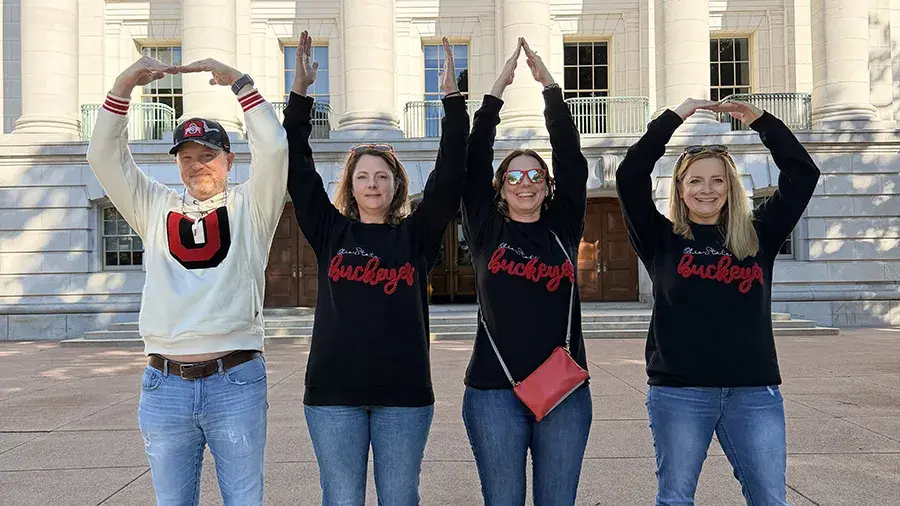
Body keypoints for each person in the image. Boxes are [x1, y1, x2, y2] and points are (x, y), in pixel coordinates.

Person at [86, 55, 288, 505]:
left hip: (234, 379)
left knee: (244, 500)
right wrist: (122, 86)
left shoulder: (251, 207)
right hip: (164, 386)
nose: (198, 165)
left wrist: (240, 83)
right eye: (187, 157)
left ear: (229, 160)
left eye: (208, 155)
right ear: (177, 164)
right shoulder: (154, 206)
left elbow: (274, 149)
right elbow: (103, 156)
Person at [282, 32, 468, 505]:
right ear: (351, 184)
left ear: (396, 184)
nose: (372, 183)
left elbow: (449, 177)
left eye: (382, 175)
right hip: (332, 396)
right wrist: (300, 95)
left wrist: (451, 99)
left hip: (403, 396)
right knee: (342, 498)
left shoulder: (416, 235)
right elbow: (299, 170)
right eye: (363, 176)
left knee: (400, 497)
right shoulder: (330, 231)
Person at [615, 98, 821, 505]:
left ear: (730, 188)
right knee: (675, 499)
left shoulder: (759, 234)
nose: (706, 190)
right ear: (680, 187)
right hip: (680, 391)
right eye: (695, 180)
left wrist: (761, 121)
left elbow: (803, 173)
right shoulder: (661, 238)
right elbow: (629, 175)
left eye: (717, 181)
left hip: (753, 391)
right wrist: (674, 118)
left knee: (770, 499)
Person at [461, 38, 592, 505]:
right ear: (500, 188)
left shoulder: (562, 226)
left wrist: (550, 89)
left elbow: (571, 160)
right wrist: (496, 91)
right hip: (494, 391)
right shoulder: (484, 229)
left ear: (547, 186)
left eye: (535, 175)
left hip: (563, 389)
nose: (525, 183)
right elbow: (474, 161)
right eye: (514, 176)